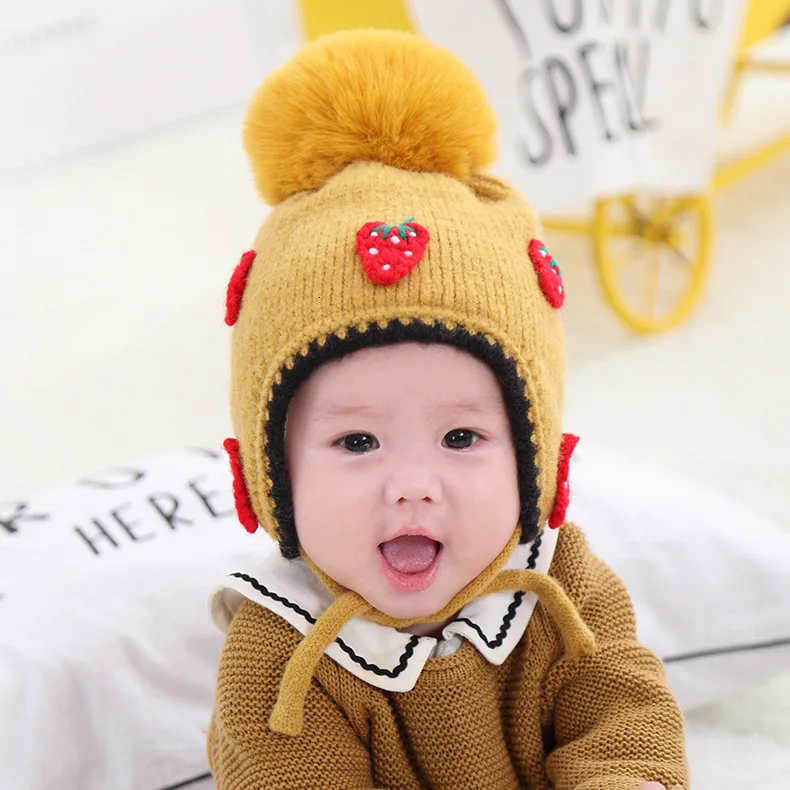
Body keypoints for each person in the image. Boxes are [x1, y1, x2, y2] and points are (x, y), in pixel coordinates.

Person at [206, 29, 687, 790]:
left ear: (534, 462)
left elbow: (624, 715)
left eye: (461, 436)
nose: (412, 487)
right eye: (357, 442)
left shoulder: (560, 585)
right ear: (273, 478)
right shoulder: (278, 657)